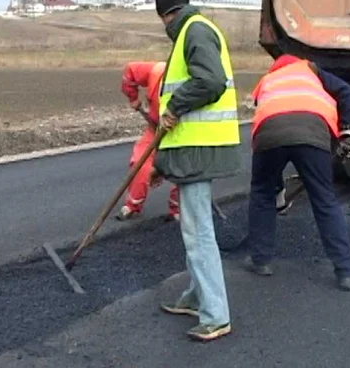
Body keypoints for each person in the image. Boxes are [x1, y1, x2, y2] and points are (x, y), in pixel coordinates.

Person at [151, 0, 241, 342]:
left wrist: (174, 105)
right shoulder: (193, 30)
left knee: (199, 231)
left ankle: (216, 314)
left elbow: (211, 81)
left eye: (164, 19)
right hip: (192, 150)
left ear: (168, 14)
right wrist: (163, 162)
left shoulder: (195, 31)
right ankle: (195, 296)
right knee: (193, 226)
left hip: (201, 149)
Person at [242, 54, 350, 291]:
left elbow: (268, 114)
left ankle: (261, 260)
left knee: (261, 193)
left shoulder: (267, 81)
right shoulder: (312, 70)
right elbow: (348, 93)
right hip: (312, 135)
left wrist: (277, 189)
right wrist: (347, 129)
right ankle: (345, 272)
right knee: (325, 200)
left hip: (269, 136)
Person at [116, 61, 180, 222]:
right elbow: (130, 72)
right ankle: (132, 205)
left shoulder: (196, 79)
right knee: (140, 161)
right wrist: (133, 98)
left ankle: (178, 209)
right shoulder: (157, 71)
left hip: (182, 133)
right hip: (156, 128)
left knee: (183, 169)